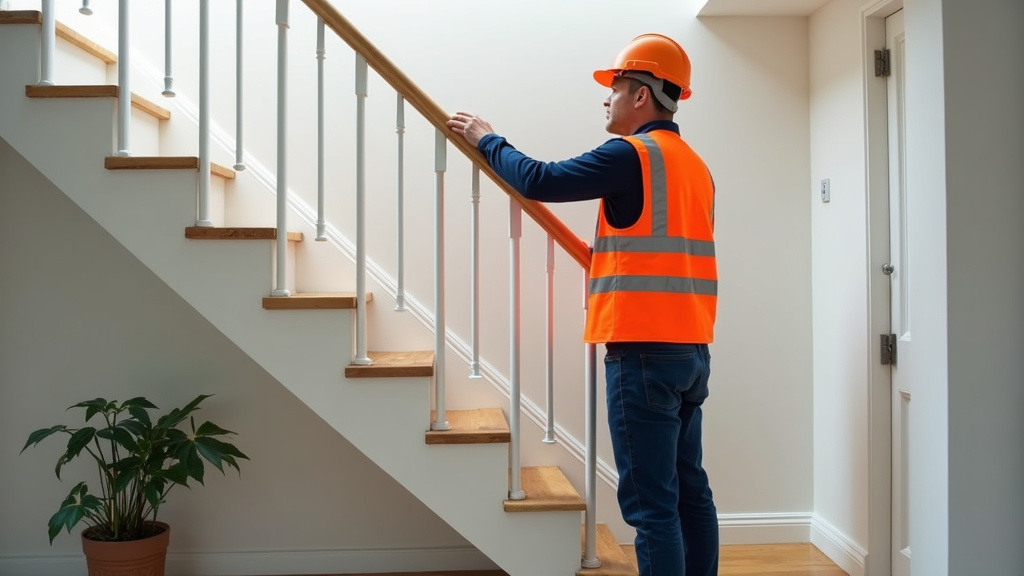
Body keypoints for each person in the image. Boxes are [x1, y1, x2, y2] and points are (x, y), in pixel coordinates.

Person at [447, 33, 718, 576]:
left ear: (641, 95)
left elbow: (539, 179)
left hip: (641, 353)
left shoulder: (632, 154)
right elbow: (659, 247)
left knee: (651, 508)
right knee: (691, 491)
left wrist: (487, 140)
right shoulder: (694, 165)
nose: (606, 99)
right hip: (690, 350)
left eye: (614, 88)